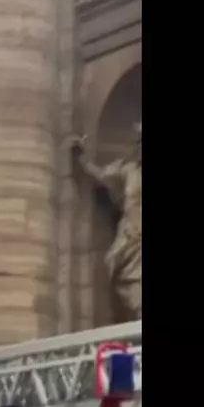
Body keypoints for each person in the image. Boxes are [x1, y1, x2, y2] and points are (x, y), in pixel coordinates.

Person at [71, 123, 143, 319]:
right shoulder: (129, 171)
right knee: (130, 285)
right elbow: (101, 175)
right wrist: (82, 158)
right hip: (131, 239)